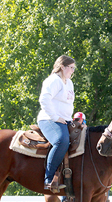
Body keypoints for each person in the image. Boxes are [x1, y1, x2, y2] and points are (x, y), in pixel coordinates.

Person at [37, 55, 76, 194]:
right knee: (61, 141)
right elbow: (44, 99)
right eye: (71, 68)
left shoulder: (69, 83)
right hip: (49, 119)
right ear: (62, 67)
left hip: (65, 120)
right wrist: (55, 117)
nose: (72, 71)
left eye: (73, 68)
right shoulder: (53, 81)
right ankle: (48, 179)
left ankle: (68, 183)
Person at [59, 111, 86, 202]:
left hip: (82, 160)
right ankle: (64, 201)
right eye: (77, 120)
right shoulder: (70, 128)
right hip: (70, 158)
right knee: (64, 176)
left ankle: (105, 201)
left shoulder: (87, 131)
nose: (80, 122)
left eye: (82, 120)